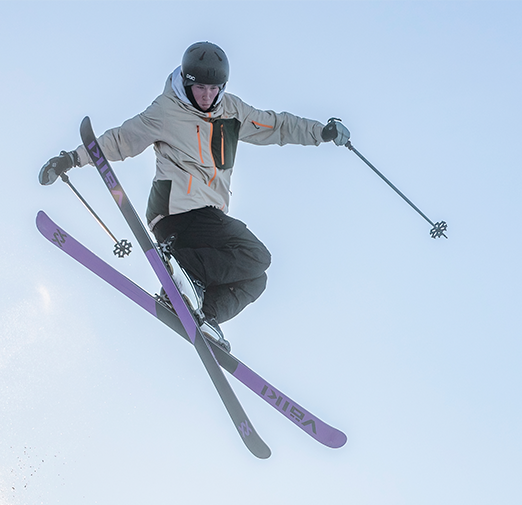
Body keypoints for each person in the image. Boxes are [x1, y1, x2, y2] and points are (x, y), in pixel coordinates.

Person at [39, 41, 349, 350]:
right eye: (200, 87)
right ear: (187, 83)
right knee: (257, 255)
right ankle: (183, 270)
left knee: (255, 278)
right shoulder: (167, 109)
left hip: (207, 218)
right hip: (177, 212)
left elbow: (277, 125)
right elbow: (122, 140)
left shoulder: (233, 111)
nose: (206, 96)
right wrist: (72, 158)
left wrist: (320, 132)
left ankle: (203, 315)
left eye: (214, 89)